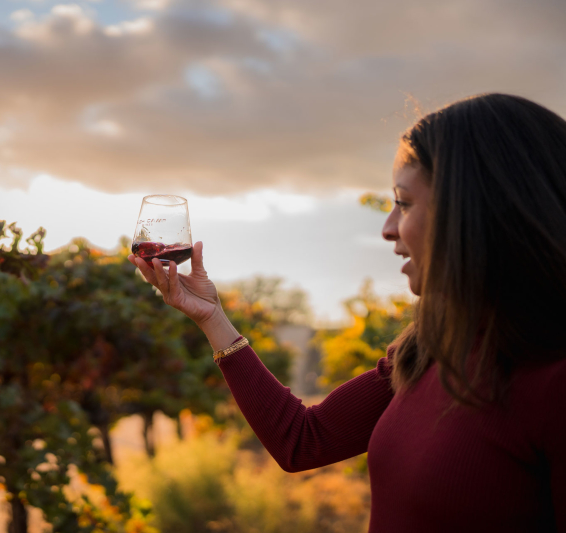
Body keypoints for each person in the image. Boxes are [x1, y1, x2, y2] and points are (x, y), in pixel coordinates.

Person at [128, 93, 566, 532]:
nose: (388, 227)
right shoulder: (427, 353)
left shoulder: (552, 384)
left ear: (475, 209)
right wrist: (210, 316)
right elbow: (302, 440)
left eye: (406, 203)